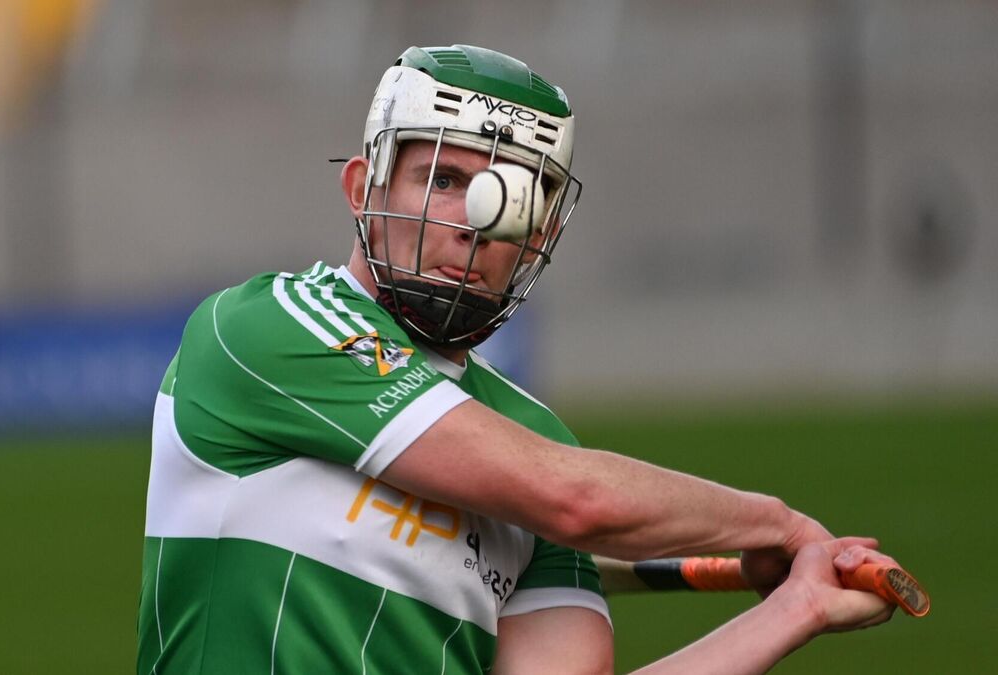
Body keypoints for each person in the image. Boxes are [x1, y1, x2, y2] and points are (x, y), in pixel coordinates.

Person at [138, 44, 902, 674]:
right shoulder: (266, 328)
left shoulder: (531, 442)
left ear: (539, 237)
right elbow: (579, 500)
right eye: (443, 179)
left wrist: (796, 607)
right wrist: (774, 523)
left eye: (514, 197)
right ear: (363, 187)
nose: (476, 220)